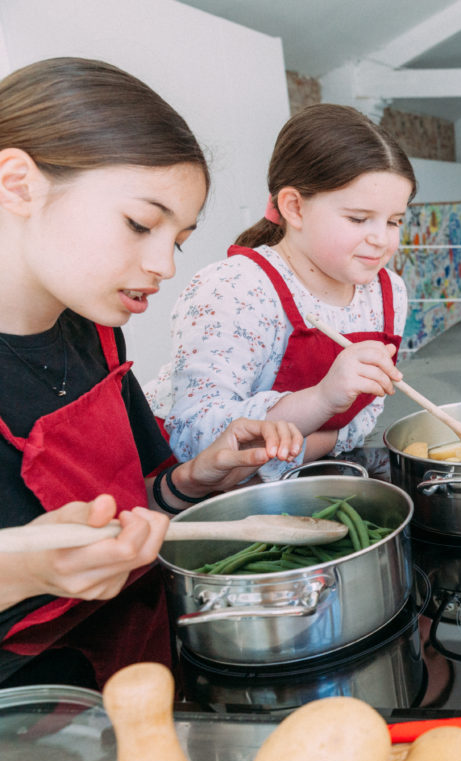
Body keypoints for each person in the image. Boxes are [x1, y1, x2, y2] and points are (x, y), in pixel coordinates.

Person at [0, 57, 303, 689]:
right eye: (140, 223)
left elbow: (142, 503)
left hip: (137, 682)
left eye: (180, 239)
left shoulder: (95, 331)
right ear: (18, 183)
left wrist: (196, 478)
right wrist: (21, 572)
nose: (164, 264)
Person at [147, 104, 416, 475]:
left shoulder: (387, 293)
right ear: (294, 207)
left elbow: (362, 420)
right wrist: (322, 399)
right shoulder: (235, 289)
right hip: (192, 496)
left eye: (394, 221)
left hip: (301, 478)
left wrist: (305, 447)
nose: (381, 239)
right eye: (358, 218)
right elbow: (196, 440)